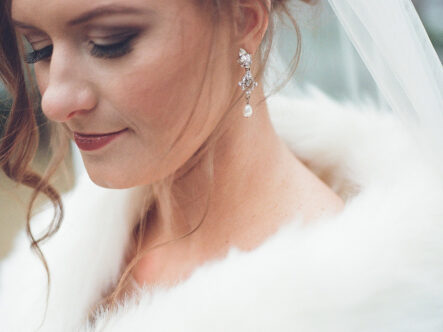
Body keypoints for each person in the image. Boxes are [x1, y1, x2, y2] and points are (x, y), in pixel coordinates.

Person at [0, 0, 443, 331]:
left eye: (109, 43)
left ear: (244, 19)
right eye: (38, 49)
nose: (54, 101)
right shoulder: (71, 240)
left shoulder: (358, 303)